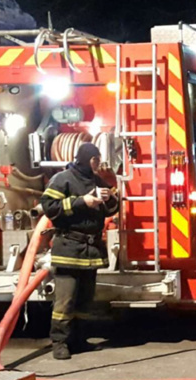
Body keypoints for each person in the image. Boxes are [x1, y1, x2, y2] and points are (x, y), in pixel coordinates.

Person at [41, 143, 119, 360]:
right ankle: (60, 343)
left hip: (90, 251)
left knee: (85, 300)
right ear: (86, 158)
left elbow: (113, 208)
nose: (97, 163)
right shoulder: (62, 179)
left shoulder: (96, 180)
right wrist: (81, 201)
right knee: (65, 301)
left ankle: (79, 339)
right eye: (95, 159)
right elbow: (49, 207)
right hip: (68, 248)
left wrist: (109, 198)